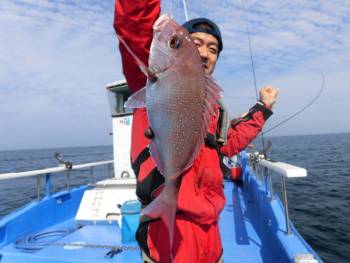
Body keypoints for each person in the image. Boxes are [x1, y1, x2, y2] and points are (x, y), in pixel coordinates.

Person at [113, 1, 278, 262]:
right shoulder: (151, 78)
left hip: (212, 238)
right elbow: (134, 25)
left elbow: (228, 144)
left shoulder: (213, 109)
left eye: (213, 49)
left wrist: (263, 109)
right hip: (169, 238)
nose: (204, 53)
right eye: (194, 43)